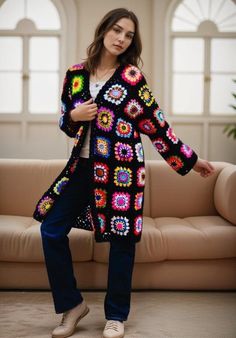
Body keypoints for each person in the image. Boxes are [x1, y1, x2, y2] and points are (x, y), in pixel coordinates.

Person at [33, 7, 215, 338]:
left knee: (123, 241)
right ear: (103, 31)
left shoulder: (131, 79)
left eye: (128, 35)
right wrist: (75, 114)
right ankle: (72, 305)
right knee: (51, 230)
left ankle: (115, 315)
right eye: (117, 30)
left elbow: (156, 125)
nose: (121, 38)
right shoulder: (76, 75)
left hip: (123, 172)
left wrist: (191, 160)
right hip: (82, 166)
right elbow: (65, 121)